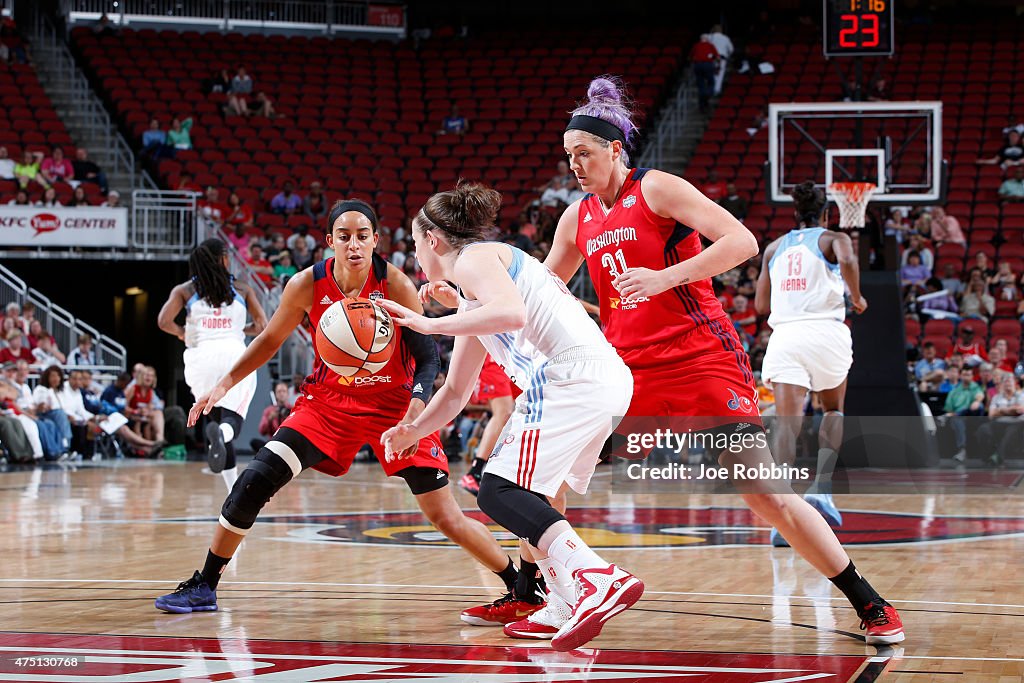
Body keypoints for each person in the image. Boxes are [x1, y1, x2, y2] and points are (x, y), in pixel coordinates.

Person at [538, 76, 904, 644]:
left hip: (700, 359)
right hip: (628, 374)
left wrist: (665, 277)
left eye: (584, 153)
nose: (575, 166)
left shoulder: (657, 188)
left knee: (765, 494)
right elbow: (545, 292)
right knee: (544, 476)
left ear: (615, 149)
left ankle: (870, 602)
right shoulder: (576, 218)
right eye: (568, 157)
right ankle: (555, 596)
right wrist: (470, 299)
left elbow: (742, 242)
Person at [154, 200, 528, 624]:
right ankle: (205, 583)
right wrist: (224, 383)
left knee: (445, 516)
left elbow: (427, 357)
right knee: (255, 480)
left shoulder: (396, 283)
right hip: (327, 406)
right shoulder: (305, 285)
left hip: (394, 408)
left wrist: (417, 409)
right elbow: (268, 341)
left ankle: (519, 584)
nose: (354, 245)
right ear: (330, 241)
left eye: (363, 236)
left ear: (375, 240)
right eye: (345, 237)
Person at [379, 182, 641, 651]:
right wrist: (413, 429)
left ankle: (596, 576)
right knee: (535, 496)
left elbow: (514, 313)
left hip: (570, 376)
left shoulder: (474, 258)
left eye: (415, 244)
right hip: (600, 380)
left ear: (432, 240)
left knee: (499, 491)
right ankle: (561, 600)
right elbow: (457, 390)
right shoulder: (472, 293)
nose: (415, 254)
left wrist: (428, 323)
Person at [755, 180, 868, 542]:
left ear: (794, 212)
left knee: (787, 425)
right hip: (826, 333)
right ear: (826, 212)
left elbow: (760, 307)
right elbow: (848, 260)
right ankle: (821, 489)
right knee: (833, 410)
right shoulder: (835, 239)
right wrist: (857, 295)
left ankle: (783, 515)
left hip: (787, 336)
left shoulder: (774, 247)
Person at [158, 238, 268, 491]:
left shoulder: (184, 290)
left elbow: (163, 321)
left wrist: (181, 332)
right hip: (233, 356)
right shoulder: (242, 289)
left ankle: (232, 492)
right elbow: (263, 325)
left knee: (216, 419)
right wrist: (242, 329)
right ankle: (223, 436)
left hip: (200, 359)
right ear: (222, 259)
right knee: (233, 420)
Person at [457, 354, 515, 496]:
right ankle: (474, 473)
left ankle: (511, 471)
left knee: (520, 412)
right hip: (496, 360)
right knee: (504, 413)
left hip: (519, 361)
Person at [689, 34, 718, 112]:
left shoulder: (696, 45)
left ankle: (702, 105)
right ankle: (708, 94)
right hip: (707, 65)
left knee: (701, 86)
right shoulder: (710, 45)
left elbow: (691, 56)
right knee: (711, 83)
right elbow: (716, 56)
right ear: (707, 39)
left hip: (698, 65)